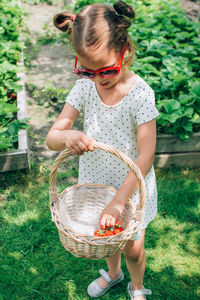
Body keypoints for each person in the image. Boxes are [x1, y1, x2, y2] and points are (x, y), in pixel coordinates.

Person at [46, 1, 159, 299]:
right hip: (98, 182)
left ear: (126, 50)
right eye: (87, 71)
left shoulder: (141, 95)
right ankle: (113, 273)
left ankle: (137, 286)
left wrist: (120, 201)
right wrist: (67, 136)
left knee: (133, 247)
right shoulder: (83, 89)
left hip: (131, 187)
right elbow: (52, 138)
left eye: (107, 69)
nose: (99, 78)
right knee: (106, 236)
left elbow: (145, 156)